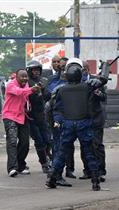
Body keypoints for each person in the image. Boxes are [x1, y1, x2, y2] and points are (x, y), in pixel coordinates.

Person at [45, 58, 108, 191]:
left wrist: (58, 121)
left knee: (62, 153)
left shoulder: (61, 90)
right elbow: (103, 81)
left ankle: (52, 179)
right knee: (89, 152)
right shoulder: (87, 87)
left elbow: (57, 108)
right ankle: (95, 181)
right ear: (81, 74)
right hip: (84, 123)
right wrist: (99, 78)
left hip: (68, 124)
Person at [2, 69, 41, 177]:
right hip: (9, 116)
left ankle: (20, 165)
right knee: (12, 142)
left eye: (26, 76)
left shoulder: (27, 85)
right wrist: (32, 89)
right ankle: (12, 168)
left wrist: (37, 90)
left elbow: (29, 95)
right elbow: (19, 92)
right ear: (16, 77)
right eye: (22, 77)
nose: (24, 78)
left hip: (22, 116)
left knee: (25, 143)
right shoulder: (11, 85)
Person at [45, 57, 74, 187]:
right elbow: (51, 94)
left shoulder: (75, 81)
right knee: (58, 146)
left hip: (72, 118)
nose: (63, 70)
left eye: (65, 68)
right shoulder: (53, 81)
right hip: (57, 117)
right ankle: (56, 175)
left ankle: (63, 171)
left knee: (65, 147)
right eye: (62, 67)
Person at [79, 61, 107, 182]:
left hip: (96, 118)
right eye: (81, 69)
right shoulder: (77, 83)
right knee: (84, 145)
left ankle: (100, 171)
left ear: (88, 69)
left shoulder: (97, 81)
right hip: (82, 118)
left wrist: (98, 92)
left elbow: (104, 97)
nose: (83, 71)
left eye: (85, 68)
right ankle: (88, 170)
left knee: (97, 145)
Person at [26, 60, 51, 173]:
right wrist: (35, 90)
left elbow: (48, 96)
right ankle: (44, 163)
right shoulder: (27, 83)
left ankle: (48, 157)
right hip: (30, 116)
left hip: (42, 115)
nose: (36, 72)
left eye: (37, 70)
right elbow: (27, 97)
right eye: (33, 70)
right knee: (39, 141)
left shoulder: (43, 81)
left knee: (47, 140)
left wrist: (43, 89)